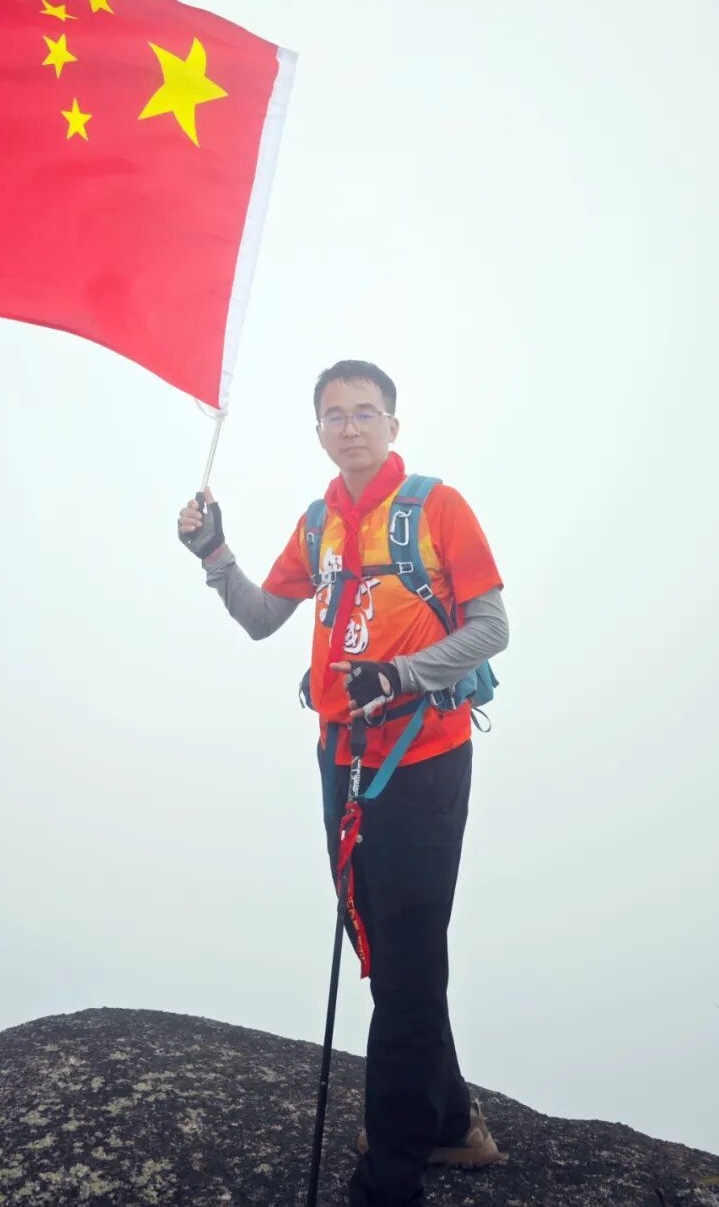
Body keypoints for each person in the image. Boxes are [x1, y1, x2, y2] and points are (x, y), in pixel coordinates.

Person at [178, 359, 510, 1207]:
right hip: (341, 758)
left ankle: (389, 1176)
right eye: (335, 414)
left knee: (406, 958)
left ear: (394, 425)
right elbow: (263, 617)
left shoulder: (437, 508)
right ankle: (450, 1122)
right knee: (388, 948)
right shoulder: (319, 523)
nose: (351, 426)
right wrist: (215, 554)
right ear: (320, 430)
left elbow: (491, 628)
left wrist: (399, 675)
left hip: (422, 761)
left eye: (366, 412)